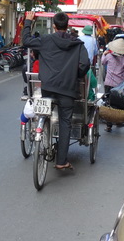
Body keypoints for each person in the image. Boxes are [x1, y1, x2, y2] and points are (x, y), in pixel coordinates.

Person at [22, 11, 90, 171]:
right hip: (67, 90)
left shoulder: (45, 40)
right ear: (68, 26)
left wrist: (28, 21)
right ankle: (61, 161)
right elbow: (84, 65)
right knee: (65, 123)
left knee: (45, 115)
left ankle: (43, 135)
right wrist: (75, 75)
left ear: (54, 25)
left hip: (47, 88)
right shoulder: (77, 44)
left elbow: (25, 41)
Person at [101, 38, 124, 132]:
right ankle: (118, 121)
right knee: (118, 103)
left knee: (108, 103)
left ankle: (108, 125)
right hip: (119, 85)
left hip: (108, 83)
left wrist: (103, 54)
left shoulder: (109, 56)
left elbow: (102, 62)